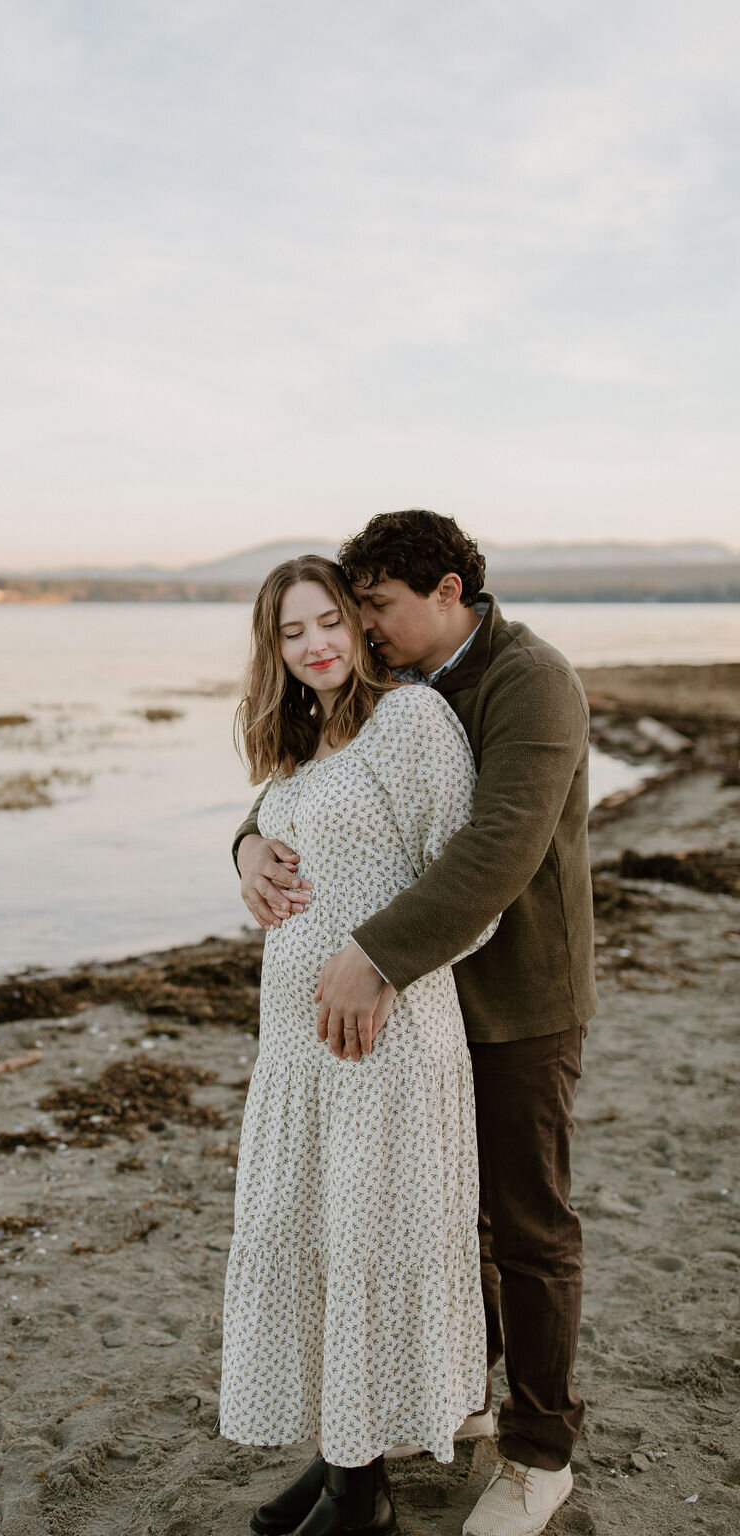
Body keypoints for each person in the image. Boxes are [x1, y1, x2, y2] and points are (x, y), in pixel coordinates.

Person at [235, 511, 593, 1536]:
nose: (360, 629)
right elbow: (315, 779)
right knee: (444, 1214)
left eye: (375, 608)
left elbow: (495, 848)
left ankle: (538, 1453)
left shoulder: (529, 680)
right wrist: (246, 849)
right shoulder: (399, 684)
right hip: (413, 1005)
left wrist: (376, 957)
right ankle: (456, 1401)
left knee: (525, 1223)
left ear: (448, 594)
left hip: (518, 994)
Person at [220, 554, 497, 1536]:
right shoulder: (308, 741)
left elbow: (467, 891)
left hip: (382, 1043)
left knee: (371, 1250)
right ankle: (342, 1463)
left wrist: (378, 967)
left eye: (327, 621)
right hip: (299, 1054)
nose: (314, 645)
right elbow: (278, 838)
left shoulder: (411, 722)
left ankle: (362, 1495)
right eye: (290, 633)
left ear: (356, 621)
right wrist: (247, 851)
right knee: (319, 1251)